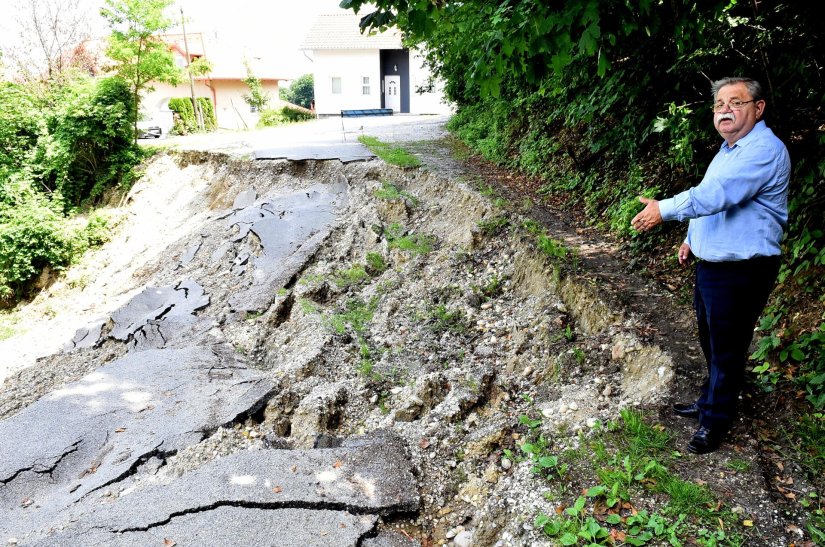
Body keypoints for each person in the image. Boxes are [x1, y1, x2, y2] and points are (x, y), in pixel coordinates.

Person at [631, 77, 790, 454]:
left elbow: (716, 195)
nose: (726, 111)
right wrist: (691, 238)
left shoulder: (763, 150)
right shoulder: (728, 151)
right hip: (713, 265)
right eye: (720, 104)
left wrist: (663, 210)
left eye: (736, 103)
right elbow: (711, 199)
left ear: (758, 107)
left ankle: (715, 423)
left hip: (742, 269)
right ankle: (709, 402)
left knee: (728, 348)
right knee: (712, 342)